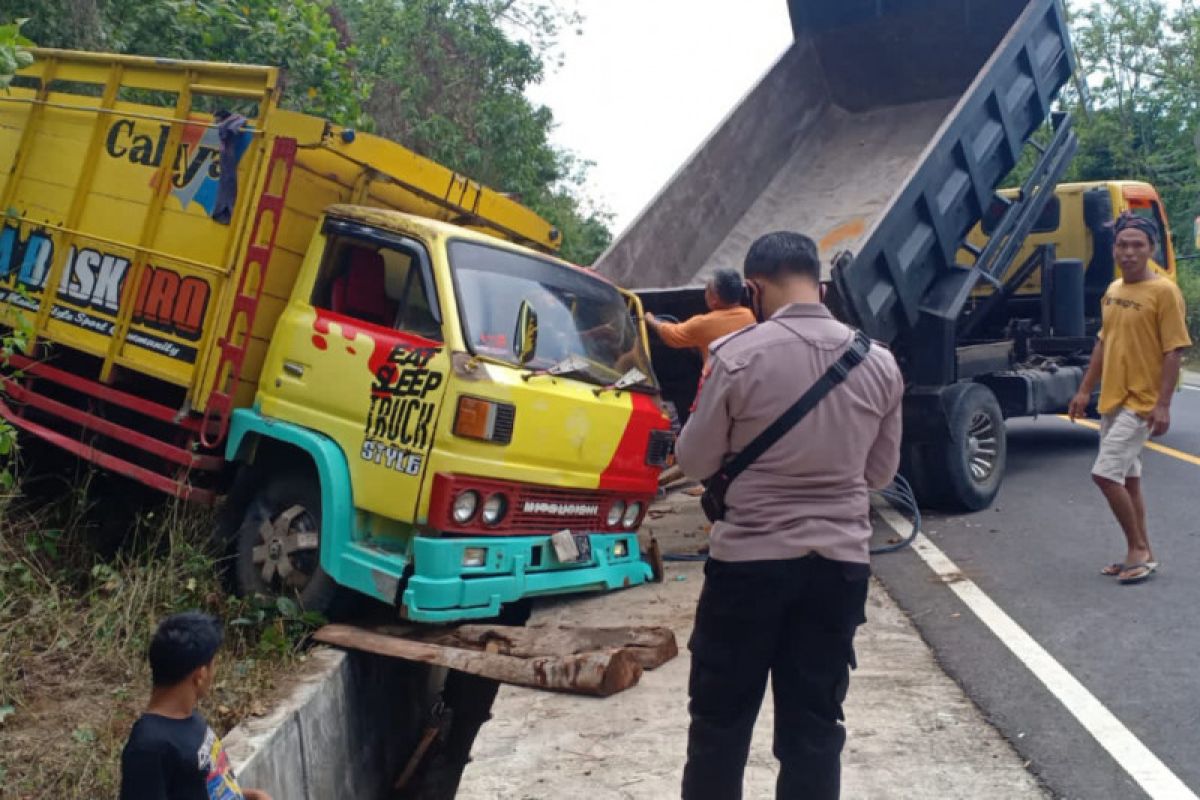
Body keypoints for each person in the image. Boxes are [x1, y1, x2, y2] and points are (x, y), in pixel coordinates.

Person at [674, 231, 904, 800]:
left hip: (747, 568)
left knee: (720, 727)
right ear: (820, 284)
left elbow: (696, 459)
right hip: (837, 571)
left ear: (752, 289)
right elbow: (878, 475)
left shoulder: (737, 356)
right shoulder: (878, 363)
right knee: (814, 729)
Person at [1068, 212, 1192, 585]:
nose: (1129, 252)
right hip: (1113, 398)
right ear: (1114, 249)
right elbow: (1103, 343)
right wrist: (1085, 389)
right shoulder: (1114, 290)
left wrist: (1164, 404)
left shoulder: (1164, 292)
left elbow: (1174, 351)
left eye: (1138, 245)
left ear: (1152, 249)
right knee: (1129, 480)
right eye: (1123, 245)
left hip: (1142, 401)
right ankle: (1141, 552)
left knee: (1105, 474)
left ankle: (1138, 549)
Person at [120, 612, 272, 800]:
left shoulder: (188, 718)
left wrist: (250, 796)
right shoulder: (149, 748)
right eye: (213, 665)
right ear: (200, 675)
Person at [644, 268, 756, 368]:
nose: (705, 292)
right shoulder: (750, 316)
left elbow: (671, 335)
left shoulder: (704, 324)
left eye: (707, 289)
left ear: (714, 299)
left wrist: (651, 320)